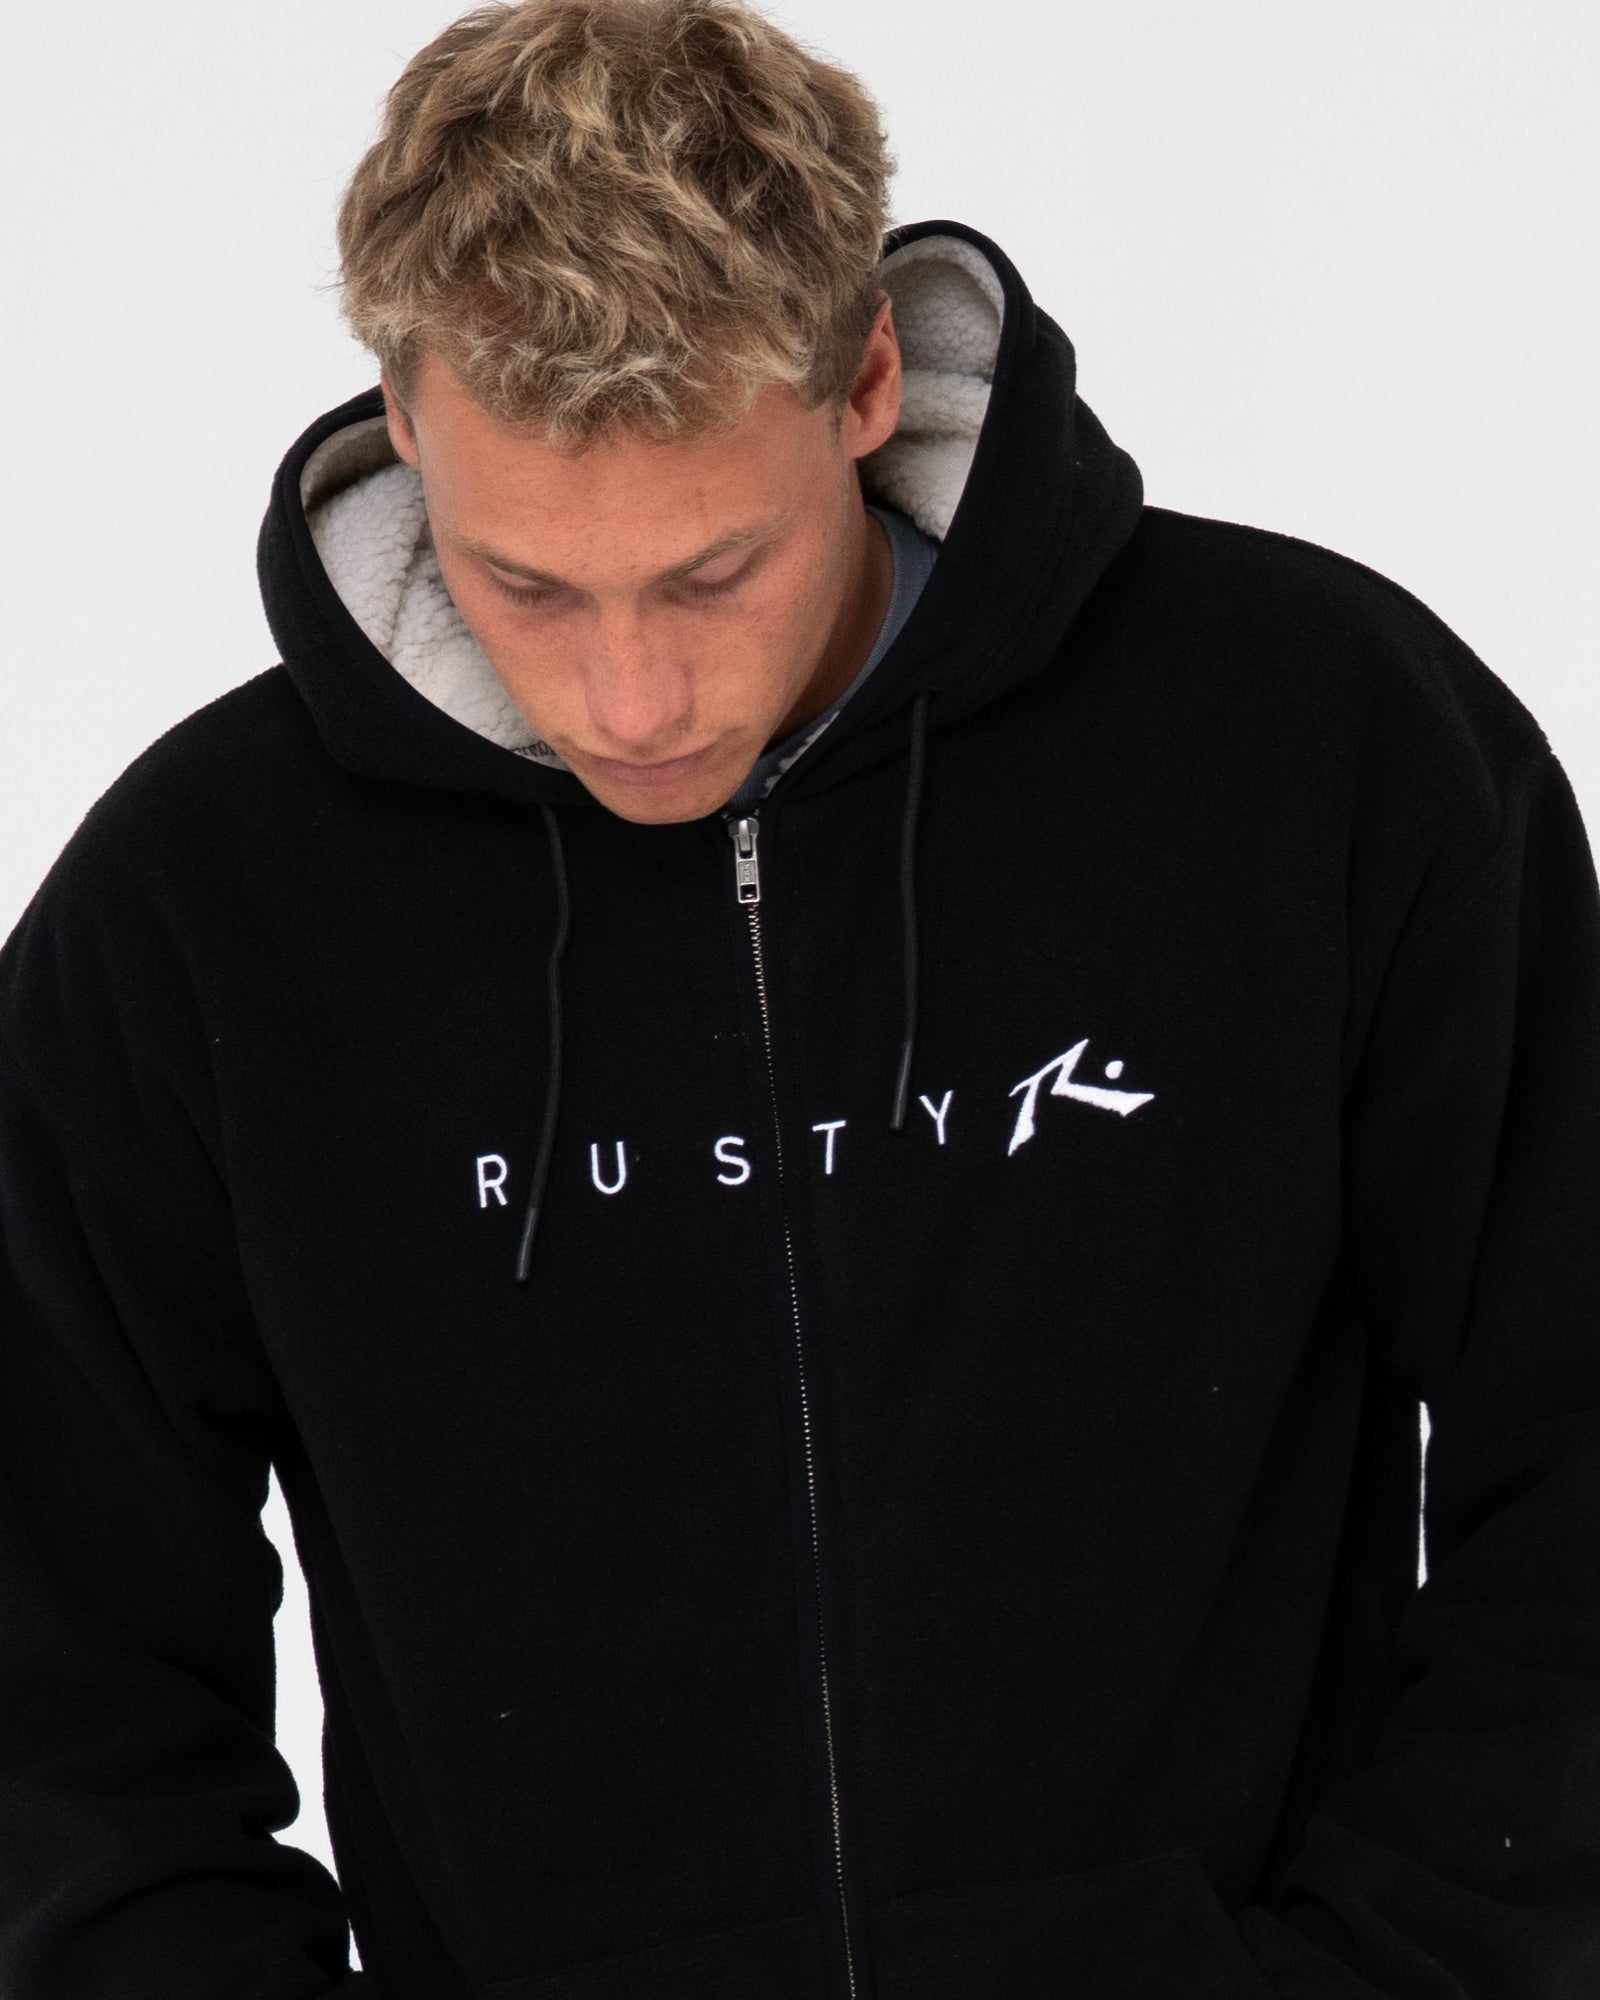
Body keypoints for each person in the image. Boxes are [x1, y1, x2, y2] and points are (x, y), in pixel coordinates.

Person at [1, 0, 1596, 1994]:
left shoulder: (1313, 749)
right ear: (403, 417)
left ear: (861, 380)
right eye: (528, 584)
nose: (630, 699)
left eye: (711, 571)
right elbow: (56, 1690)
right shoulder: (199, 914)